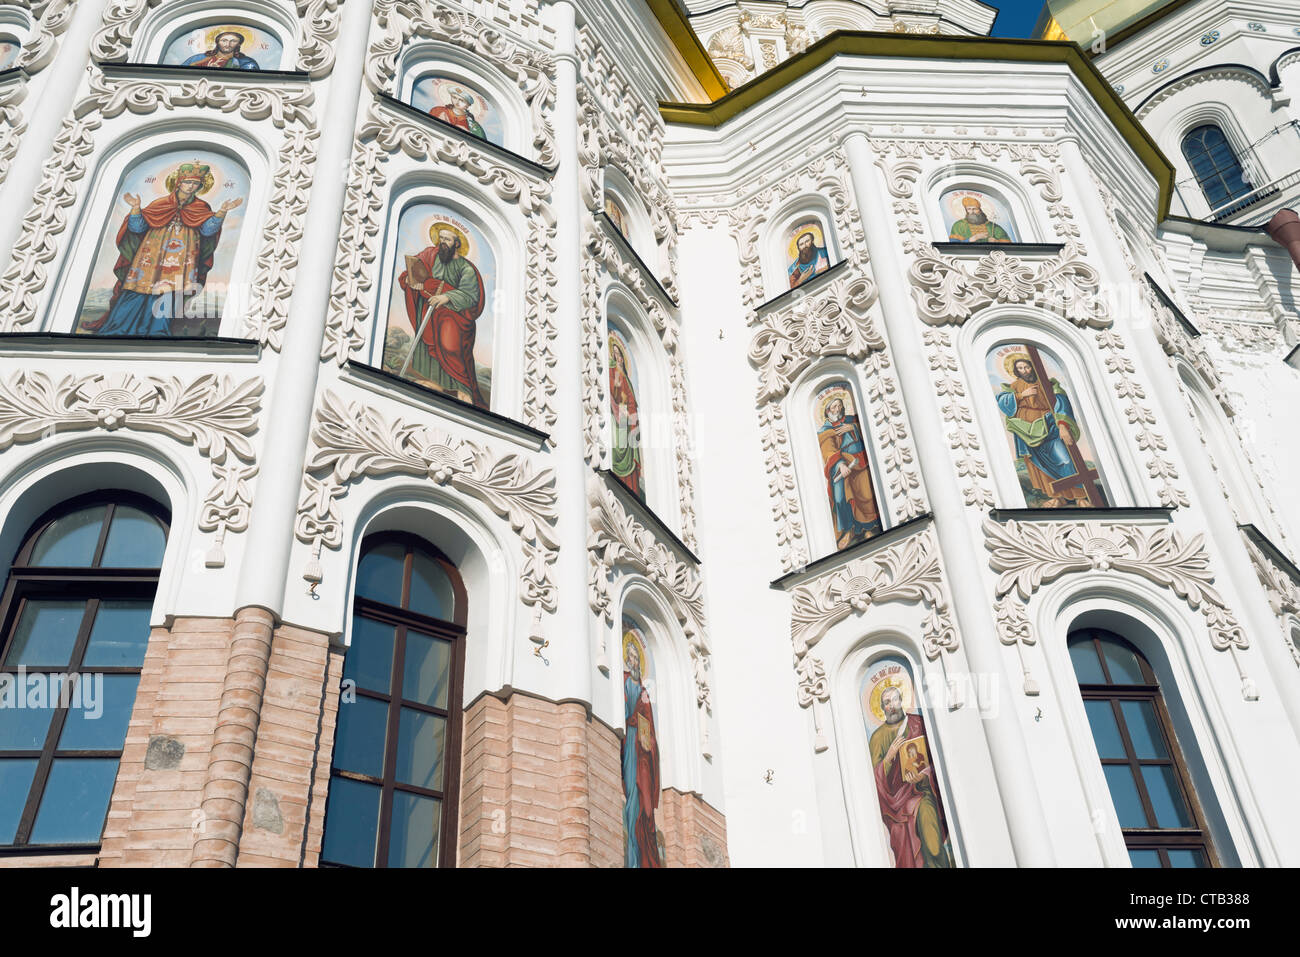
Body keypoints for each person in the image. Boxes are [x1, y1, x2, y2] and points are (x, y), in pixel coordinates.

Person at [81, 162, 241, 336]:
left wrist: (222, 212)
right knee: (137, 289)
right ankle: (120, 327)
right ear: (179, 182)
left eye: (196, 184)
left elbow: (207, 230)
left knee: (170, 293)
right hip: (151, 256)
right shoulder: (160, 204)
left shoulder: (201, 208)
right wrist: (135, 209)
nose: (191, 186)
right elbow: (138, 228)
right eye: (188, 182)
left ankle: (158, 331)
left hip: (182, 258)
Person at [396, 223, 488, 408]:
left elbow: (471, 297)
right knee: (429, 344)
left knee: (449, 345)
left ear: (457, 243)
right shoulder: (430, 255)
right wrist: (409, 279)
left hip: (456, 317)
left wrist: (446, 297)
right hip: (430, 310)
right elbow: (414, 269)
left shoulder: (466, 269)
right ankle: (431, 382)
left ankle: (462, 388)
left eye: (447, 239)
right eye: (441, 238)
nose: (442, 242)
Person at [868, 684, 953, 868]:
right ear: (882, 708)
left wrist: (924, 775)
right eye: (887, 702)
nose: (892, 705)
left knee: (933, 846)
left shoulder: (918, 723)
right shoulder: (877, 738)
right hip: (896, 807)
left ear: (902, 701)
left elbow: (938, 759)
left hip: (922, 793)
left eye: (895, 700)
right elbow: (873, 781)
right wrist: (889, 758)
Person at [995, 355, 1092, 507]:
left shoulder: (1047, 384)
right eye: (1020, 368)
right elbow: (1003, 403)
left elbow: (1061, 401)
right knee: (1040, 466)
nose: (1024, 371)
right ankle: (1058, 497)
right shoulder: (1014, 386)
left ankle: (1080, 497)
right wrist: (1022, 395)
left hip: (1050, 427)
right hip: (1027, 432)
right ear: (1015, 370)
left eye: (1026, 367)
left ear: (1032, 367)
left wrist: (1062, 425)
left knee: (1065, 459)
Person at [817, 395, 882, 549]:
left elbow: (867, 429)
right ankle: (849, 530)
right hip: (843, 465)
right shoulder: (825, 430)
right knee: (840, 497)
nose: (837, 409)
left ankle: (869, 528)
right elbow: (828, 451)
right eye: (833, 407)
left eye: (839, 405)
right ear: (827, 412)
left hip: (861, 461)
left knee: (866, 494)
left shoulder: (852, 420)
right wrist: (840, 464)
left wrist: (853, 428)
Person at [622, 639, 662, 868]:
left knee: (646, 806)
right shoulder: (624, 681)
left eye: (637, 657)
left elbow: (652, 731)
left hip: (643, 755)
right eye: (630, 656)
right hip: (629, 747)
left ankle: (647, 857)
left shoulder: (645, 691)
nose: (634, 660)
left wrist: (649, 742)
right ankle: (633, 857)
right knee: (632, 799)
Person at [608, 336, 644, 501]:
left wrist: (630, 414)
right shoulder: (613, 373)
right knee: (619, 447)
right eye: (615, 354)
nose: (619, 358)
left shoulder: (627, 379)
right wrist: (617, 409)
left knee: (629, 445)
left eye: (620, 354)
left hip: (628, 420)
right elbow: (611, 393)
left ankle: (633, 492)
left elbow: (632, 401)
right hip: (618, 419)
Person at [183, 30, 260, 70]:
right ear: (217, 42)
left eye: (233, 41)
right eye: (224, 40)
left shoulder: (246, 62)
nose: (228, 44)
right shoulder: (197, 58)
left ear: (239, 44)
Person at [948, 197, 1012, 243]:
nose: (972, 211)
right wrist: (972, 239)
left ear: (980, 210)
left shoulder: (992, 226)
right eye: (969, 209)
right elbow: (953, 244)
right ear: (966, 210)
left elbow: (1008, 243)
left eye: (975, 209)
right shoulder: (959, 225)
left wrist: (996, 241)